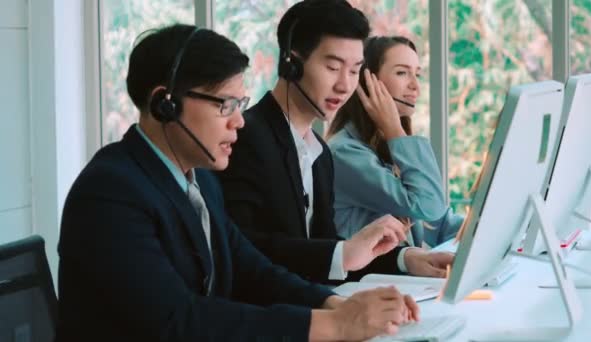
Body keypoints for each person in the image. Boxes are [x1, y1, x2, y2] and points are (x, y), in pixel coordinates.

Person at [56, 24, 419, 342]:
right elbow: (177, 321)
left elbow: (252, 270)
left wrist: (337, 304)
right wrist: (335, 326)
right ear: (164, 104)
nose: (240, 122)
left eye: (240, 104)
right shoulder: (110, 192)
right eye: (225, 105)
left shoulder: (202, 182)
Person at [217, 0, 454, 283]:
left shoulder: (320, 155)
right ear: (291, 64)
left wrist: (405, 258)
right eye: (333, 67)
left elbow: (329, 254)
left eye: (354, 71)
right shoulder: (246, 138)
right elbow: (243, 251)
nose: (345, 85)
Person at [326, 36, 464, 247]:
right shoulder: (345, 154)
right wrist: (394, 129)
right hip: (375, 278)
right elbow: (429, 206)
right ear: (367, 83)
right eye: (402, 73)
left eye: (417, 74)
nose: (415, 86)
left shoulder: (387, 147)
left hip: (405, 276)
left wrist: (491, 228)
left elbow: (439, 222)